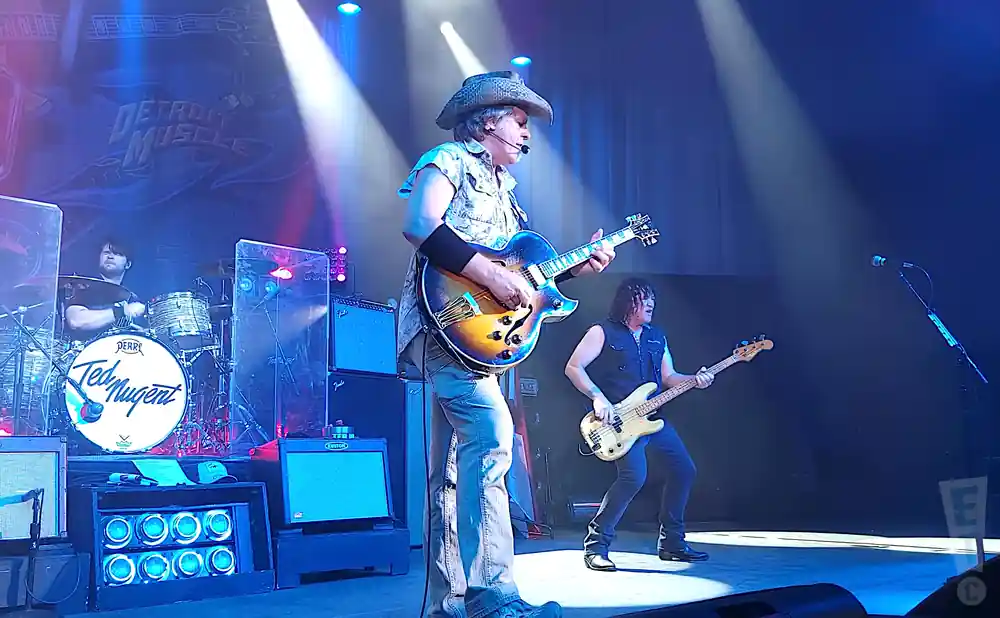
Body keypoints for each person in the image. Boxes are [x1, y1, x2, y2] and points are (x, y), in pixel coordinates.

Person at [397, 71, 615, 618]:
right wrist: (492, 279)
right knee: (492, 442)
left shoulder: (507, 195)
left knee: (450, 472)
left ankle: (448, 605)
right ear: (488, 121)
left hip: (482, 343)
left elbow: (524, 285)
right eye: (520, 123)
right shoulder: (447, 161)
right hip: (446, 328)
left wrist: (573, 273)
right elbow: (420, 224)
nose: (526, 135)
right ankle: (493, 598)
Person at [564, 277, 714, 571]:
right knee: (633, 477)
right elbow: (573, 366)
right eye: (643, 298)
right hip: (620, 421)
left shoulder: (657, 336)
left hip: (653, 418)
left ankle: (672, 542)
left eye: (652, 300)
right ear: (625, 301)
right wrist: (598, 398)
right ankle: (596, 546)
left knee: (684, 470)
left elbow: (669, 377)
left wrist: (695, 380)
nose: (650, 304)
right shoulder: (602, 331)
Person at [63, 237, 146, 341]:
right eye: (106, 252)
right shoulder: (83, 288)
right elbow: (76, 321)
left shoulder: (132, 299)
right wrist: (121, 312)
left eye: (118, 254)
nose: (110, 256)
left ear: (128, 264)